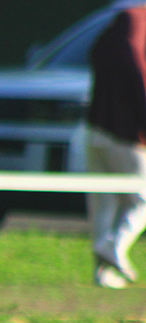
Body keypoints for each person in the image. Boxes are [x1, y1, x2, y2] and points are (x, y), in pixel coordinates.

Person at [86, 4, 146, 288]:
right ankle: (113, 245)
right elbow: (136, 65)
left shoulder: (114, 26)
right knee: (141, 201)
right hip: (126, 135)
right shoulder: (136, 19)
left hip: (96, 129)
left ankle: (104, 274)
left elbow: (97, 56)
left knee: (105, 205)